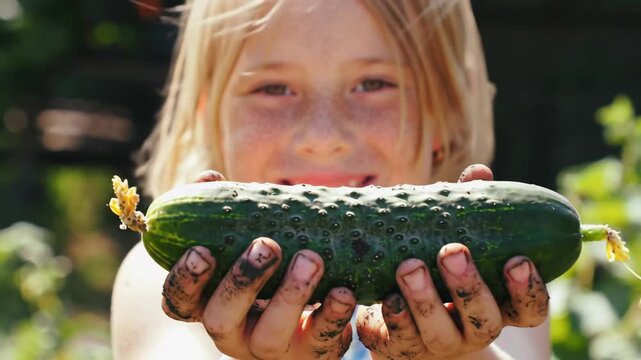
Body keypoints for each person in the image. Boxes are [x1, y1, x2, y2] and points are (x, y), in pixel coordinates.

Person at [111, 0, 551, 359]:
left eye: (373, 83)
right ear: (210, 116)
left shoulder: (499, 281)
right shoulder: (155, 278)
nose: (323, 139)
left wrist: (465, 356)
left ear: (446, 113)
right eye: (273, 88)